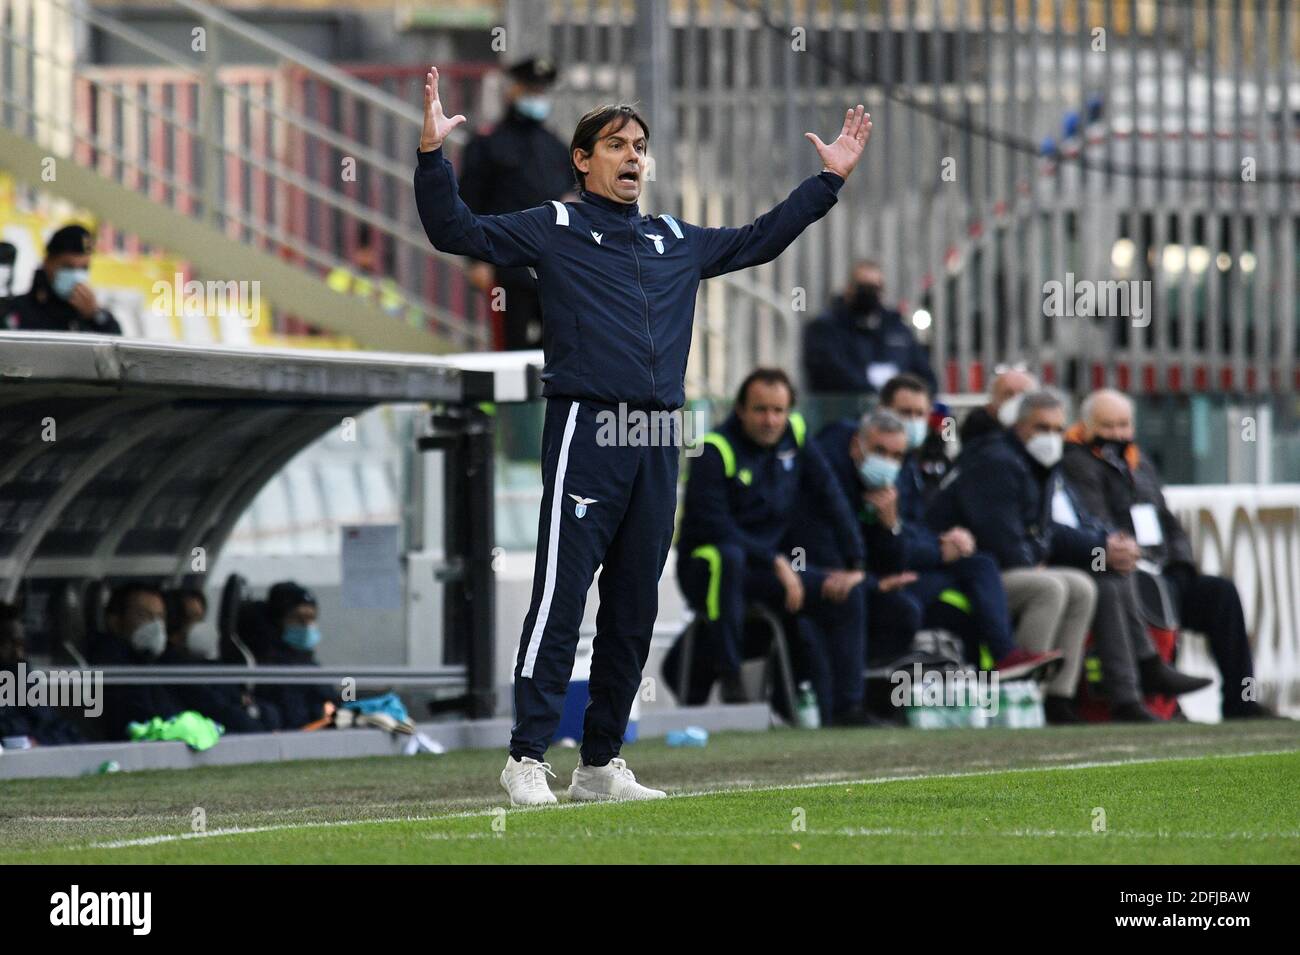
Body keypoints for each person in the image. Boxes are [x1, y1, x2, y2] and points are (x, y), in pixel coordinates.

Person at [415, 66, 872, 804]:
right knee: (562, 594)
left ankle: (599, 763)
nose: (633, 156)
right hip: (586, 427)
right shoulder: (555, 225)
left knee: (634, 606)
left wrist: (827, 184)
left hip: (658, 435)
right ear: (583, 159)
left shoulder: (672, 238)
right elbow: (453, 231)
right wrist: (433, 157)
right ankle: (526, 756)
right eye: (617, 144)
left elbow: (760, 239)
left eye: (641, 145)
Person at [931, 390, 1210, 723]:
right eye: (1041, 428)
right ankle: (1022, 689)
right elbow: (1004, 542)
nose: (1051, 437)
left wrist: (1103, 545)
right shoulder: (999, 463)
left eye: (1056, 429)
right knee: (1053, 586)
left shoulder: (1040, 464)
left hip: (1022, 566)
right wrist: (1052, 553)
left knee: (1083, 585)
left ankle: (1060, 698)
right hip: (972, 573)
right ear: (1020, 427)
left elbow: (1048, 532)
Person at [675, 368, 871, 726]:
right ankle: (731, 678)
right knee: (728, 558)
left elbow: (831, 496)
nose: (770, 420)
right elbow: (715, 526)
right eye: (761, 410)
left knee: (846, 592)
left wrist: (855, 561)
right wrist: (777, 562)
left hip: (770, 569)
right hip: (707, 567)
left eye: (778, 410)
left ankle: (848, 709)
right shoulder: (713, 450)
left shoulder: (795, 435)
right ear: (741, 411)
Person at [1063, 389, 1271, 720]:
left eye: (1124, 425)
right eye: (1108, 425)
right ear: (1087, 425)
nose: (1118, 434)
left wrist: (1181, 563)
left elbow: (1168, 521)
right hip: (1127, 569)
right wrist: (1139, 556)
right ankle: (1165, 703)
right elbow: (1098, 523)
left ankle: (1241, 700)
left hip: (1163, 568)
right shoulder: (1077, 462)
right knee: (1158, 596)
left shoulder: (1139, 461)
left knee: (1220, 594)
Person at [872, 374, 1062, 678]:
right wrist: (938, 548)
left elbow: (913, 525)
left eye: (919, 414)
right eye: (904, 413)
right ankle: (1011, 670)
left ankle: (1024, 673)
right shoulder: (994, 458)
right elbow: (886, 538)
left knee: (980, 565)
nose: (912, 422)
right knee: (1024, 582)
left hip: (927, 558)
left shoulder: (913, 462)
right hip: (895, 572)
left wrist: (945, 541)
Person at [456, 57, 574, 351]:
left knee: (559, 347)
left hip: (553, 268)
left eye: (541, 93)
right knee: (511, 348)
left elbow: (570, 197)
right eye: (530, 91)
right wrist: (476, 260)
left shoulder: (555, 146)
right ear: (513, 91)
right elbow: (471, 201)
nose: (537, 99)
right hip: (507, 265)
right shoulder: (487, 143)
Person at [802, 259, 935, 396]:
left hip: (899, 411)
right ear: (849, 288)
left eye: (874, 288)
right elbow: (832, 375)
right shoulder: (824, 329)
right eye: (863, 288)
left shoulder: (897, 328)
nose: (869, 294)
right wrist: (876, 394)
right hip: (844, 412)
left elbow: (924, 375)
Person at [87, 583, 187, 739]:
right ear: (115, 621)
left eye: (160, 617)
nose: (155, 625)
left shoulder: (154, 662)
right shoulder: (111, 664)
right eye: (144, 615)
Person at [2, 224, 122, 334]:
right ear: (48, 262)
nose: (76, 275)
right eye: (68, 267)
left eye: (84, 268)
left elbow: (116, 346)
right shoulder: (15, 311)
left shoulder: (93, 318)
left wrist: (95, 315)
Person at [252, 582, 335, 730]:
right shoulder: (272, 671)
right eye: (298, 618)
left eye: (311, 618)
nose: (307, 626)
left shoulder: (308, 664)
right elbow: (296, 724)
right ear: (278, 623)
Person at [0, 602, 84, 745]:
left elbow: (59, 727)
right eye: (9, 644)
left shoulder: (22, 677)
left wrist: (39, 742)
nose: (18, 653)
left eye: (21, 644)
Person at [957, 365, 1037, 450]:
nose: (1016, 399)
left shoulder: (1042, 423)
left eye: (1023, 394)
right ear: (993, 398)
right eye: (1008, 394)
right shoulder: (977, 424)